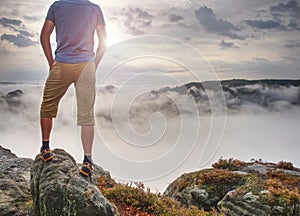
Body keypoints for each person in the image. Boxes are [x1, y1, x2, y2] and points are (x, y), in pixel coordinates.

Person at [39, 0, 107, 177]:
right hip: (85, 65)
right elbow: (103, 42)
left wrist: (51, 63)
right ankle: (87, 160)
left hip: (61, 63)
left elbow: (44, 36)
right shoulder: (94, 9)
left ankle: (45, 147)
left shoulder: (57, 6)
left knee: (47, 105)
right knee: (86, 114)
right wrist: (93, 65)